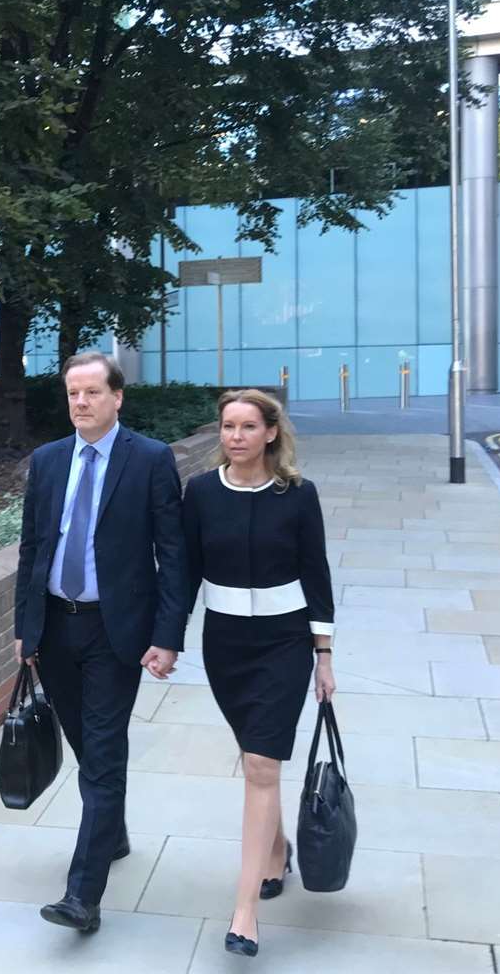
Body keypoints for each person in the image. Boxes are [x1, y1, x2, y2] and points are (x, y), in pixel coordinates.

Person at [13, 351, 189, 934]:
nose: (81, 403)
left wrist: (168, 637)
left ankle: (82, 896)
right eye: (72, 394)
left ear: (117, 397)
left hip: (117, 632)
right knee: (88, 745)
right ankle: (111, 832)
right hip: (56, 628)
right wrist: (25, 628)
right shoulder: (46, 460)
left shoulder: (150, 459)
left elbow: (174, 554)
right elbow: (33, 551)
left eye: (92, 392)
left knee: (105, 754)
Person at [181, 388, 336, 958]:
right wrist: (165, 640)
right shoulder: (199, 493)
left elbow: (316, 574)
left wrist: (324, 654)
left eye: (247, 427)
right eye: (227, 427)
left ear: (271, 433)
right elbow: (185, 573)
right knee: (256, 758)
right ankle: (276, 850)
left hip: (284, 644)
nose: (235, 437)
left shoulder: (298, 495)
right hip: (225, 645)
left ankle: (244, 912)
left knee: (261, 764)